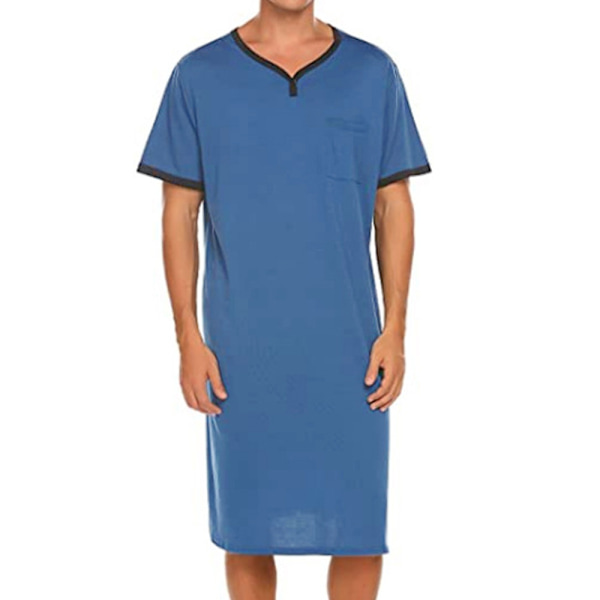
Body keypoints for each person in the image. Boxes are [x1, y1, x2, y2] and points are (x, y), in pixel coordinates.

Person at [136, 1, 430, 598]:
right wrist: (188, 339)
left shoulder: (373, 73)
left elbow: (392, 203)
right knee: (248, 527)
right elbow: (178, 215)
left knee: (358, 527)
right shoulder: (199, 76)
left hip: (350, 348)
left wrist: (395, 329)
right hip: (242, 349)